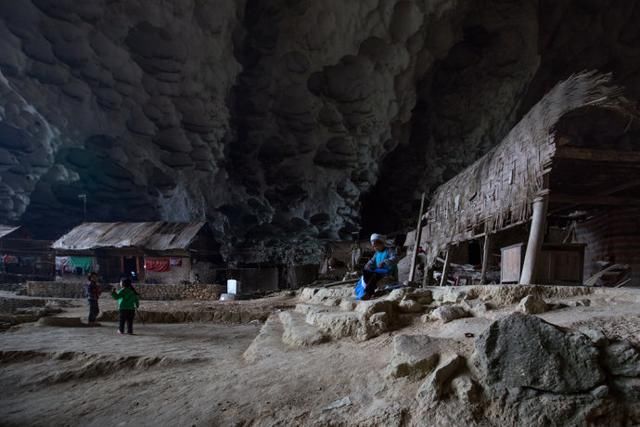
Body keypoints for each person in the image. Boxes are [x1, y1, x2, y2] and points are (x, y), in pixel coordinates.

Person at [362, 233, 398, 300]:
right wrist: (368, 265)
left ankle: (368, 293)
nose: (375, 248)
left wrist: (384, 262)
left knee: (374, 275)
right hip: (379, 272)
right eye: (374, 247)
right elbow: (372, 261)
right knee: (366, 272)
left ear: (381, 243)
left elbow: (395, 258)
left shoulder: (389, 250)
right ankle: (368, 290)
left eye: (376, 246)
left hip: (388, 272)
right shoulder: (376, 253)